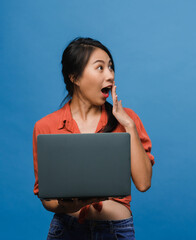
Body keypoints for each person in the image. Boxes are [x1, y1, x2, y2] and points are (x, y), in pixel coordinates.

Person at [32, 37, 155, 240]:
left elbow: (143, 183)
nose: (110, 75)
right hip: (66, 230)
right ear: (75, 77)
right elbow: (47, 199)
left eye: (111, 67)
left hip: (116, 230)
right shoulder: (46, 126)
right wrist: (78, 204)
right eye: (100, 68)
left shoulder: (128, 120)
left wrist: (129, 126)